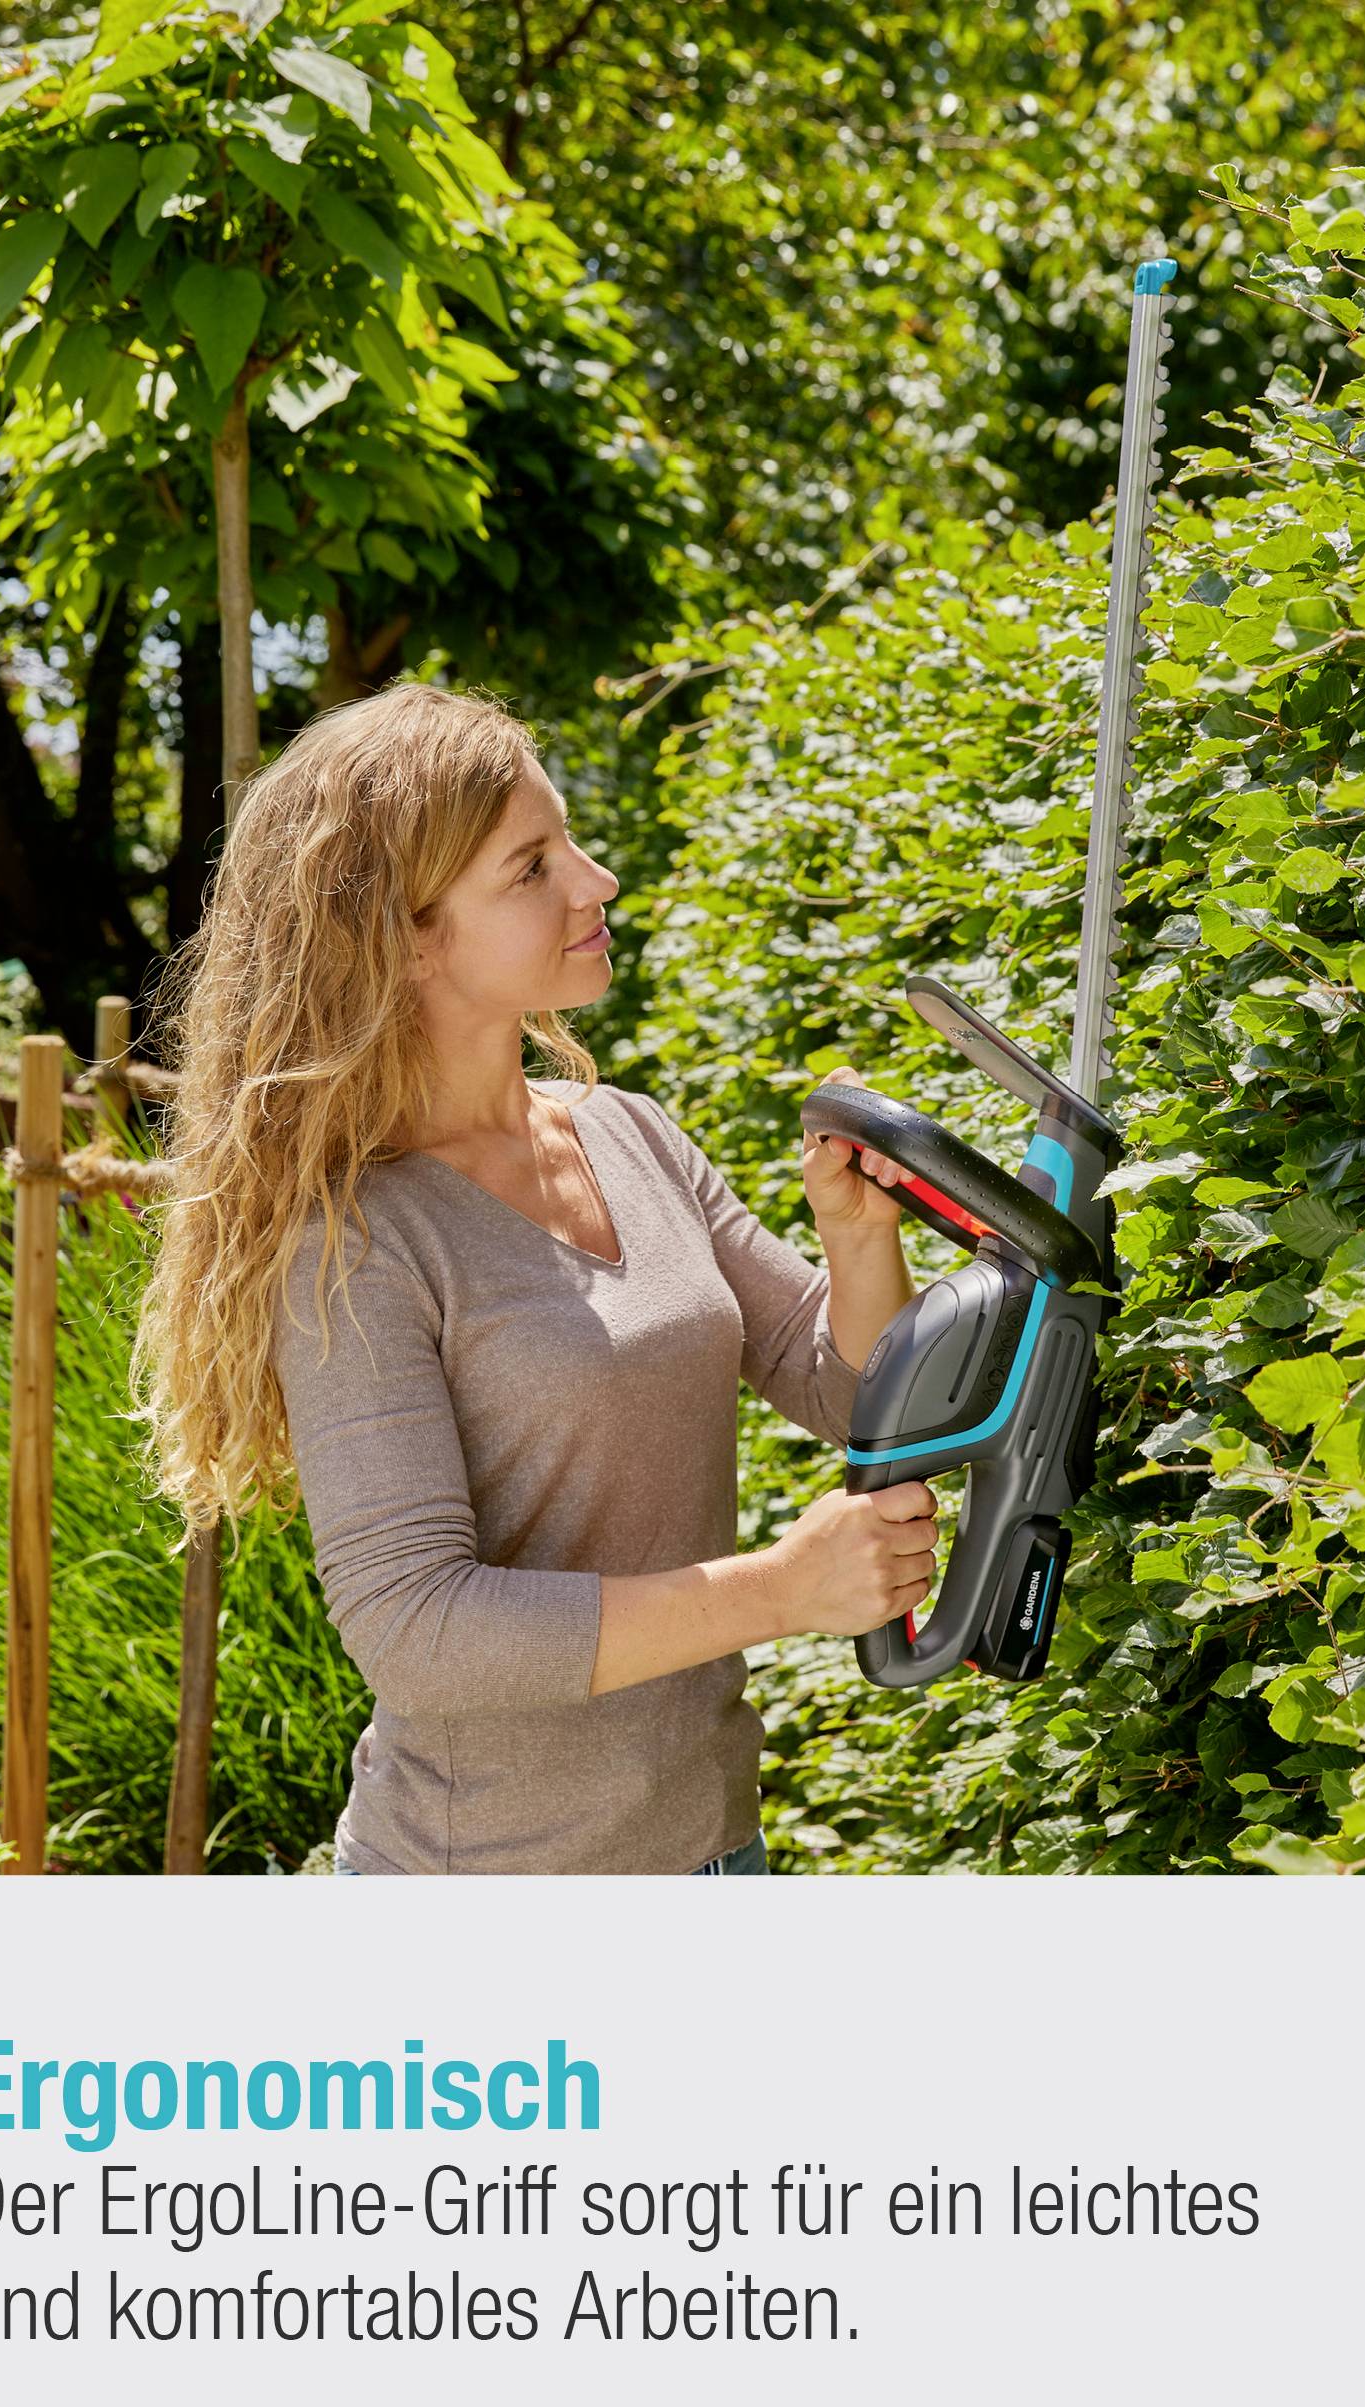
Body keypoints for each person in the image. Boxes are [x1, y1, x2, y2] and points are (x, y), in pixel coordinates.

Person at [135, 682, 937, 1874]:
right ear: (404, 936)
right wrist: (778, 1590)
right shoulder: (358, 1236)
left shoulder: (629, 1134)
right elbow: (417, 1629)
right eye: (531, 867)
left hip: (714, 1853)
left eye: (568, 841)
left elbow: (843, 1387)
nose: (595, 880)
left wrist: (858, 1236)